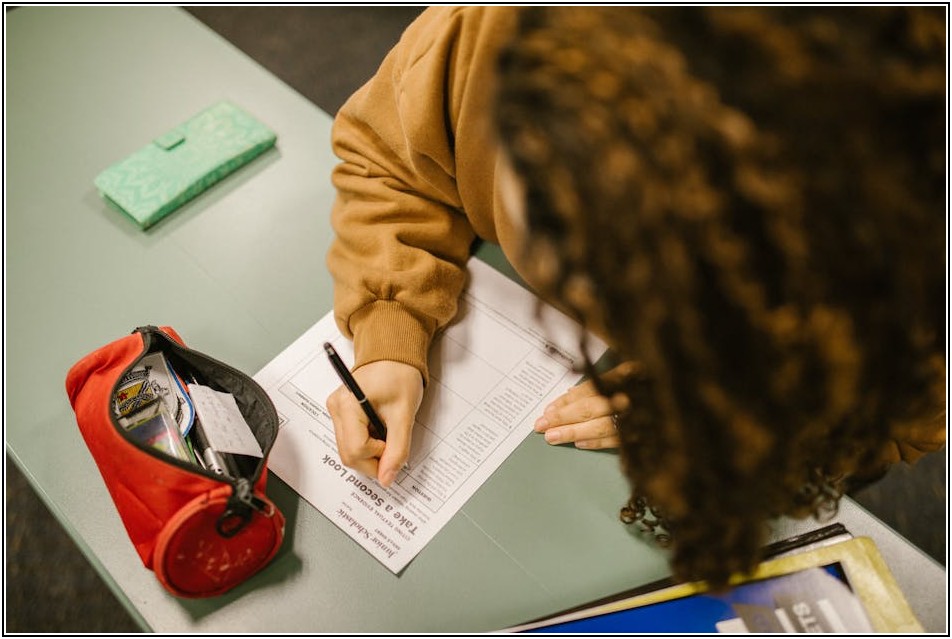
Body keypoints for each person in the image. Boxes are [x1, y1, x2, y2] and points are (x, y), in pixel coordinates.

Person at [324, 6, 945, 587]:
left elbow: (912, 406)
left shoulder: (906, 209)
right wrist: (389, 325)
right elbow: (391, 159)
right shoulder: (494, 32)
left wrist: (729, 403)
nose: (582, 282)